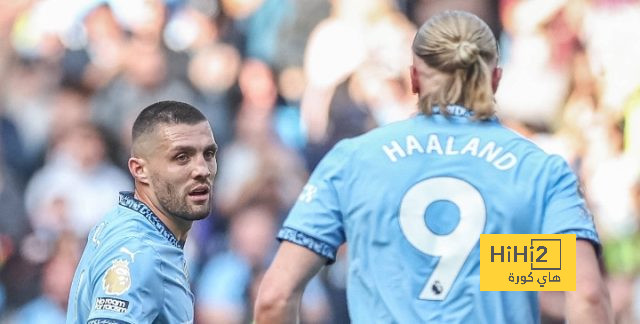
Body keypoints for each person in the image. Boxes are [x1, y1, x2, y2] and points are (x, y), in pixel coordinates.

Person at [255, 10, 613, 324]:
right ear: (496, 80)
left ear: (414, 80)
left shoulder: (353, 160)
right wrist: (494, 261)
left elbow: (275, 297)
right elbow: (587, 294)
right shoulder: (541, 169)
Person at [66, 100, 218, 323]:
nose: (202, 169)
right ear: (140, 170)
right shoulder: (140, 252)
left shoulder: (126, 221)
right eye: (182, 157)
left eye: (209, 154)